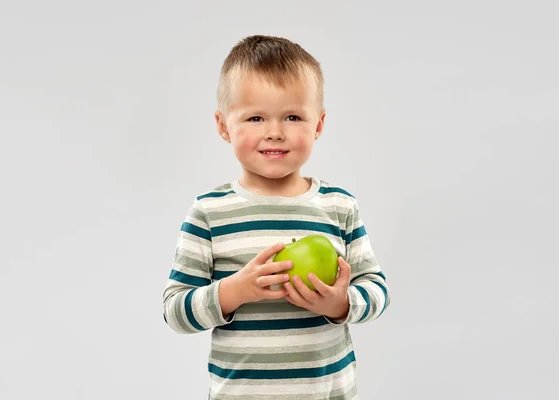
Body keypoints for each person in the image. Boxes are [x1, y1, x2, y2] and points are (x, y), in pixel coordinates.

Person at [162, 34, 390, 400]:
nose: (275, 132)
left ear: (318, 124)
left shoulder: (339, 206)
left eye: (293, 116)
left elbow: (377, 290)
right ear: (223, 126)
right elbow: (175, 311)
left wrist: (341, 304)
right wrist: (233, 291)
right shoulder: (209, 212)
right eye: (255, 117)